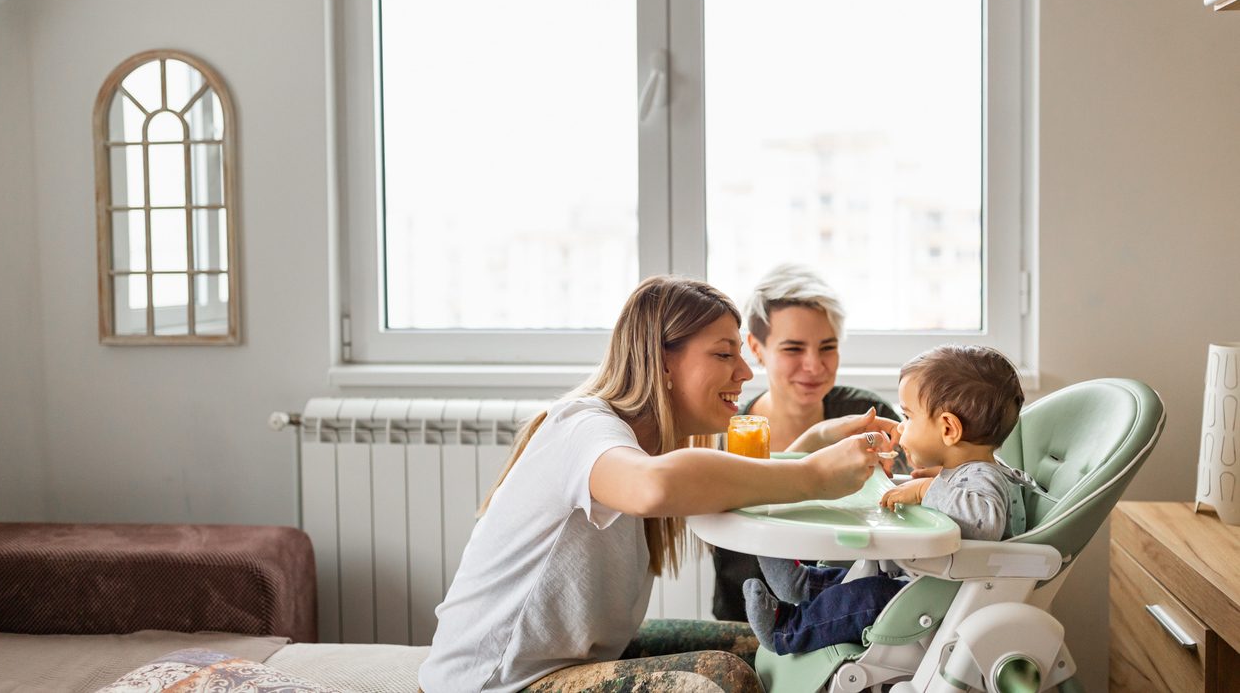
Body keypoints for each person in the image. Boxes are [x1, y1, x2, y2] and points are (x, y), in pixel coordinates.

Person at [417, 275, 898, 693]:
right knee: (721, 679)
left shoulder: (652, 446)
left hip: (574, 663)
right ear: (663, 362)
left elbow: (733, 483)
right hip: (496, 683)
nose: (745, 372)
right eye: (723, 353)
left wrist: (814, 444)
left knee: (773, 643)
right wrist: (812, 475)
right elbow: (652, 488)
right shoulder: (584, 426)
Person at [743, 344, 1030, 655]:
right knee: (860, 580)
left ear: (948, 428)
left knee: (868, 597)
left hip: (945, 601)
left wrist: (925, 492)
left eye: (908, 416)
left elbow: (984, 522)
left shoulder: (983, 475)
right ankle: (801, 584)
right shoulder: (962, 474)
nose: (901, 426)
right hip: (924, 584)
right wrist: (924, 487)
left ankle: (788, 630)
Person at [712, 263, 902, 621]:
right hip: (753, 624)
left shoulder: (865, 414)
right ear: (756, 347)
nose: (814, 366)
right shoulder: (731, 433)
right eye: (794, 349)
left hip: (859, 619)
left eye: (827, 347)